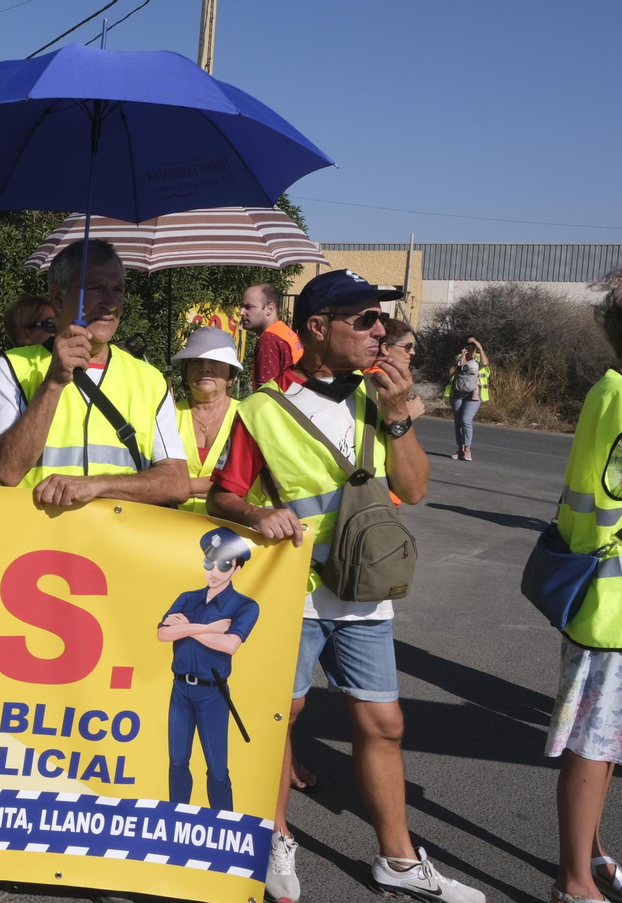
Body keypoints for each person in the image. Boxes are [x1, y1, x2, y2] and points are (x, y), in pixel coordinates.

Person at [207, 269, 484, 903]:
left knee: (383, 724)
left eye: (379, 319)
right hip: (291, 595)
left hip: (365, 595)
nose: (379, 330)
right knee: (284, 718)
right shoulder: (262, 408)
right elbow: (224, 494)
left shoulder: (378, 397)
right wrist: (254, 514)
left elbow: (413, 490)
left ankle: (398, 859)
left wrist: (396, 418)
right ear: (317, 328)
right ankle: (272, 836)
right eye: (362, 319)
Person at [543, 266, 622, 903]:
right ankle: (575, 882)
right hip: (618, 604)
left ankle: (590, 858)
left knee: (608, 743)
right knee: (596, 745)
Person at [0, 239, 189, 507]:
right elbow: (8, 471)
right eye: (95, 289)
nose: (111, 303)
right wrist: (53, 383)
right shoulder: (11, 367)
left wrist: (97, 485)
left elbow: (176, 483)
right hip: (36, 542)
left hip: (116, 545)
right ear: (58, 296)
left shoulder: (149, 379)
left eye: (118, 290)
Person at [158, 527, 258, 812]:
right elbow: (163, 634)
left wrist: (185, 629)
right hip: (180, 690)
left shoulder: (244, 605)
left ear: (237, 567)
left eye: (224, 564)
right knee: (177, 761)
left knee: (216, 768)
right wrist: (207, 628)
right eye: (208, 563)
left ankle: (224, 827)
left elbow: (229, 644)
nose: (214, 571)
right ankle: (176, 821)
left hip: (212, 694)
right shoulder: (187, 597)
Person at [170, 327, 242, 516]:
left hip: (232, 529)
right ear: (185, 371)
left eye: (216, 362)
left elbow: (248, 483)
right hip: (171, 527)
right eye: (196, 361)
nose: (205, 368)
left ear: (231, 373)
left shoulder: (245, 416)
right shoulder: (168, 415)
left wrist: (176, 487)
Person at [239, 282, 303, 388]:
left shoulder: (268, 340)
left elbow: (265, 393)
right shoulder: (285, 333)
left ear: (270, 309)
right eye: (241, 306)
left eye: (248, 307)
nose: (241, 312)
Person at [444, 335, 490, 461]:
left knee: (466, 420)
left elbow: (485, 364)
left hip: (473, 395)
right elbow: (450, 373)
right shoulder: (459, 358)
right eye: (467, 345)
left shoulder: (480, 359)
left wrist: (479, 347)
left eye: (472, 345)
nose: (469, 347)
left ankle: (467, 450)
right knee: (458, 422)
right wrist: (459, 360)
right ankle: (460, 449)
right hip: (458, 393)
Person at [377, 316, 427, 421]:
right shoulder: (376, 380)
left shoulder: (389, 378)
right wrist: (407, 415)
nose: (413, 352)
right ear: (386, 348)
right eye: (408, 346)